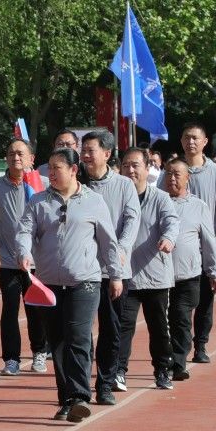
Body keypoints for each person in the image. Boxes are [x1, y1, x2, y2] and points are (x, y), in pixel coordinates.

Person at [16, 148, 122, 423]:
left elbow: (109, 242)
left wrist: (116, 275)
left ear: (74, 170)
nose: (51, 173)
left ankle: (79, 397)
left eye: (57, 168)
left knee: (78, 337)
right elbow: (25, 231)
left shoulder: (94, 201)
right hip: (49, 284)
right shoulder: (38, 201)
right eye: (49, 168)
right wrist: (24, 252)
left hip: (84, 281)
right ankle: (66, 399)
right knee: (58, 342)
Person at [159, 123, 216, 365]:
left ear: (205, 142)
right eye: (186, 138)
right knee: (177, 305)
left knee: (204, 299)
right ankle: (178, 346)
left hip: (205, 245)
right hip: (177, 247)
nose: (190, 142)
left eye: (195, 138)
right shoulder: (170, 171)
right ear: (181, 141)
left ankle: (201, 344)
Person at [79, 129, 140, 403]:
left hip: (114, 271)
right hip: (82, 270)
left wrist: (121, 250)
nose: (85, 155)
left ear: (106, 153)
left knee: (111, 329)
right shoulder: (76, 183)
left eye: (90, 150)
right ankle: (79, 386)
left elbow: (132, 220)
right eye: (83, 150)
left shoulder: (124, 185)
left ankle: (105, 384)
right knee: (80, 331)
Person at [0, 138, 51, 375]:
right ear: (6, 158)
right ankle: (11, 359)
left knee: (36, 309)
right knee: (10, 309)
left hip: (37, 262)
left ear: (31, 158)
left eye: (21, 154)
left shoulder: (43, 184)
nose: (16, 158)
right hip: (8, 260)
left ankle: (39, 352)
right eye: (12, 153)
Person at [116, 148, 179, 389]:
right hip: (125, 275)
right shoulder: (116, 198)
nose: (130, 170)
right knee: (123, 326)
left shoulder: (160, 198)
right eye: (125, 165)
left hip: (155, 275)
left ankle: (163, 370)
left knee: (159, 327)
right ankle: (119, 371)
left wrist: (169, 238)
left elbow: (172, 222)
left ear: (147, 168)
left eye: (135, 165)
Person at [163, 158, 216, 386]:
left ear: (188, 178)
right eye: (168, 173)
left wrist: (214, 271)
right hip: (159, 276)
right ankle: (164, 361)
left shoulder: (198, 206)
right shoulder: (156, 201)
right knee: (163, 322)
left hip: (188, 275)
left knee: (181, 318)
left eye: (177, 174)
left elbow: (209, 241)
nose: (172, 178)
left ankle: (179, 363)